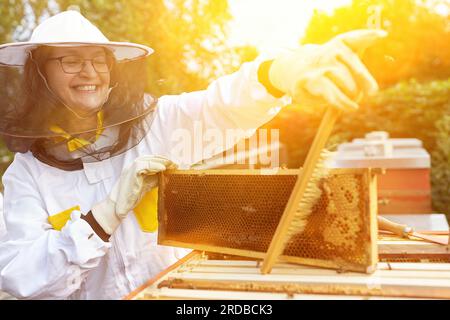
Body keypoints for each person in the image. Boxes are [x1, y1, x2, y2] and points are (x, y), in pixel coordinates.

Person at [0, 10, 385, 299]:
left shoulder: (158, 123)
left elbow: (223, 106)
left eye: (99, 58)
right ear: (40, 73)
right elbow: (24, 281)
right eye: (70, 60)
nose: (90, 72)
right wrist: (105, 215)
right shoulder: (25, 176)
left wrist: (284, 71)